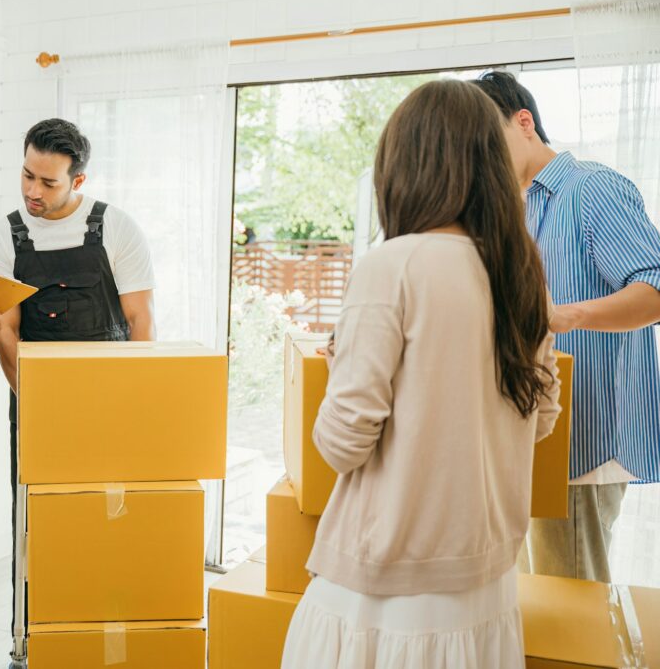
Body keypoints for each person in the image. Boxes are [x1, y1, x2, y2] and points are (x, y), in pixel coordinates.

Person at [281, 80, 560, 668]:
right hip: (485, 592)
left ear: (403, 166)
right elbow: (540, 421)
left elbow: (342, 444)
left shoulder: (392, 265)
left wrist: (342, 370)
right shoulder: (520, 273)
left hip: (385, 596)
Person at [0, 118, 156, 667]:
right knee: (34, 529)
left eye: (48, 183)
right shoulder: (3, 236)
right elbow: (4, 330)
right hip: (36, 406)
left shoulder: (116, 228)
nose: (32, 191)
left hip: (110, 407)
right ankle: (28, 647)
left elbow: (140, 320)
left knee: (109, 526)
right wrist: (32, 401)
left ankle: (105, 644)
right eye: (27, 175)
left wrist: (137, 408)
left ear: (78, 181)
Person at [474, 70, 660, 582]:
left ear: (524, 122)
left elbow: (655, 289)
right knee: (543, 605)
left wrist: (568, 314)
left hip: (587, 440)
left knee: (573, 608)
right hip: (540, 435)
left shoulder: (592, 190)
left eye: (489, 145)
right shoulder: (517, 210)